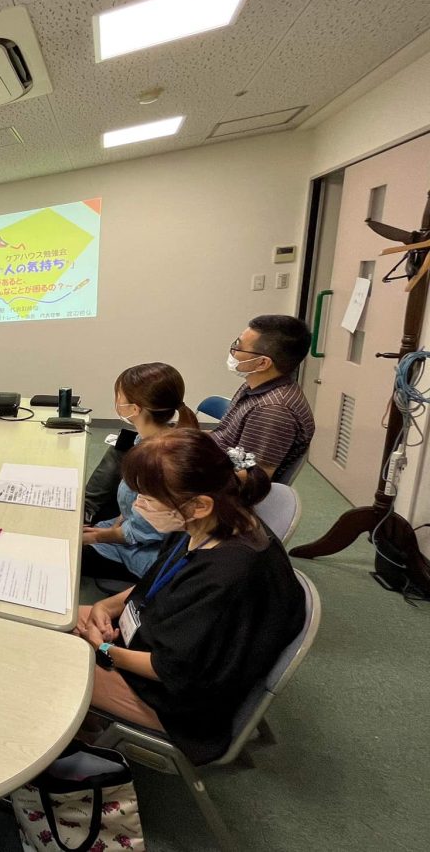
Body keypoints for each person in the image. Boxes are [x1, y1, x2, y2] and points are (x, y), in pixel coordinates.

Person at [74, 429, 305, 765]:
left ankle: (78, 736)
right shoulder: (212, 524)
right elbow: (158, 583)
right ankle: (87, 723)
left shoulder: (227, 576)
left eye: (149, 500)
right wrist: (105, 606)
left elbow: (171, 668)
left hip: (177, 702)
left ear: (198, 505)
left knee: (52, 663)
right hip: (157, 644)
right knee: (56, 618)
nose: (138, 507)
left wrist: (105, 649)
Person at [81, 363, 199, 583]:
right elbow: (134, 507)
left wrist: (97, 536)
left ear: (134, 409)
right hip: (133, 532)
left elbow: (141, 532)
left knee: (63, 552)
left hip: (147, 554)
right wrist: (118, 520)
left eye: (119, 396)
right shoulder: (148, 440)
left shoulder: (160, 461)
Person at [212, 314, 315, 480]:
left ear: (262, 363)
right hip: (216, 462)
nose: (233, 352)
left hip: (223, 490)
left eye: (238, 347)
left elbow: (250, 478)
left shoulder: (272, 410)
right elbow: (227, 440)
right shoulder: (255, 385)